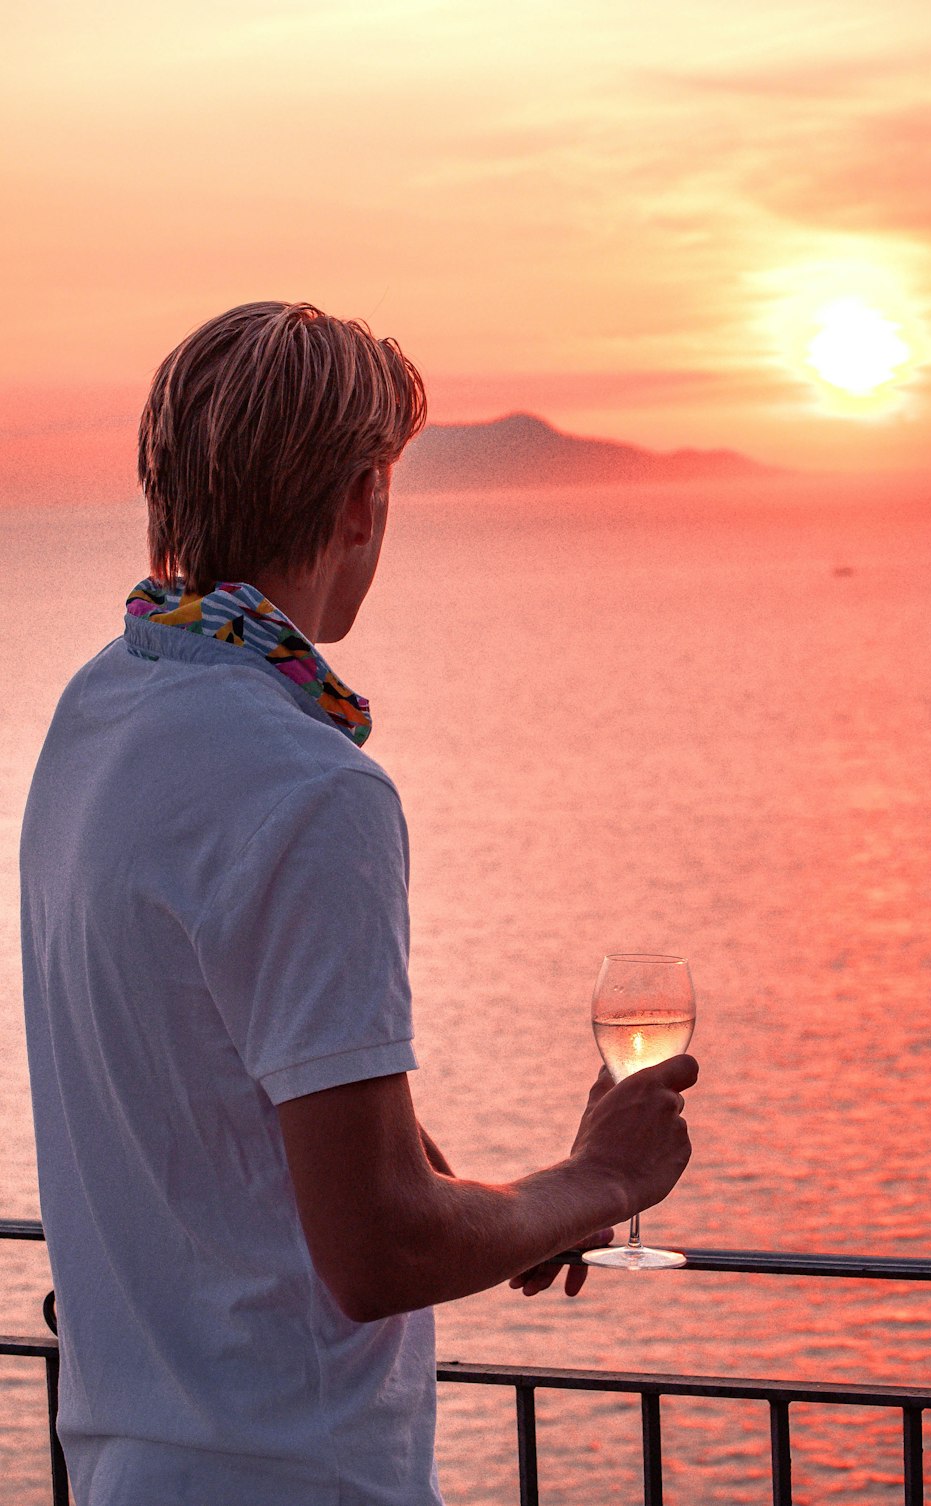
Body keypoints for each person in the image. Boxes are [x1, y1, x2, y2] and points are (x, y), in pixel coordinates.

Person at [19, 300, 697, 1506]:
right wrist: (601, 1182)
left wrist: (513, 1212)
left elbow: (245, 1074)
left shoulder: (96, 716)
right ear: (358, 502)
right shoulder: (310, 786)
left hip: (123, 1466)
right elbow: (377, 1248)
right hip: (292, 1479)